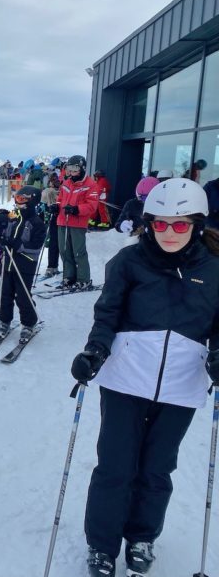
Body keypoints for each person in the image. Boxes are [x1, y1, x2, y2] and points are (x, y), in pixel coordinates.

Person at [70, 178, 219, 577]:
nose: (169, 233)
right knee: (115, 467)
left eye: (181, 224)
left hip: (181, 385)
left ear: (198, 224)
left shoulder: (216, 269)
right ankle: (102, 546)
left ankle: (141, 536)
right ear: (148, 223)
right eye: (160, 224)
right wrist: (95, 350)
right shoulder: (128, 263)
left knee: (156, 469)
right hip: (125, 380)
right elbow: (108, 315)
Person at [0, 186, 45, 341]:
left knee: (23, 296)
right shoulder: (14, 217)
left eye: (23, 199)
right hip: (9, 263)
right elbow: (6, 236)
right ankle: (4, 321)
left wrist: (19, 246)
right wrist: (1, 238)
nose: (18, 202)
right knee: (5, 294)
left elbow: (36, 248)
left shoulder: (37, 223)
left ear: (32, 202)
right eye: (17, 198)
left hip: (25, 265)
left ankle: (28, 324)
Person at [56, 155, 99, 289]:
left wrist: (76, 209)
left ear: (82, 169)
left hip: (77, 223)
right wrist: (55, 206)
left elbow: (92, 205)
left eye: (75, 169)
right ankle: (69, 277)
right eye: (69, 169)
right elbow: (60, 199)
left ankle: (83, 279)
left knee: (78, 252)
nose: (71, 172)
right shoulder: (66, 183)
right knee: (64, 251)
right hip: (63, 221)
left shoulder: (90, 185)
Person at [40, 173, 61, 278]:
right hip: (58, 217)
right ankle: (54, 266)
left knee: (54, 242)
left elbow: (43, 200)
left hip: (54, 217)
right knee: (56, 243)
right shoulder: (56, 191)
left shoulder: (48, 191)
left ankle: (51, 267)